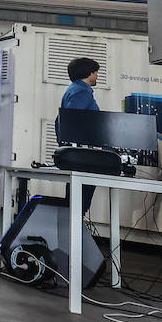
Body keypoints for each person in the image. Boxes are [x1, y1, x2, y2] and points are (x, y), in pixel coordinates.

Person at [59, 56, 102, 210]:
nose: (97, 76)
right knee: (80, 202)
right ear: (89, 73)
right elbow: (71, 120)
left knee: (75, 201)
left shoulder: (73, 90)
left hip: (76, 154)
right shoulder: (81, 92)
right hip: (82, 156)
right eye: (96, 72)